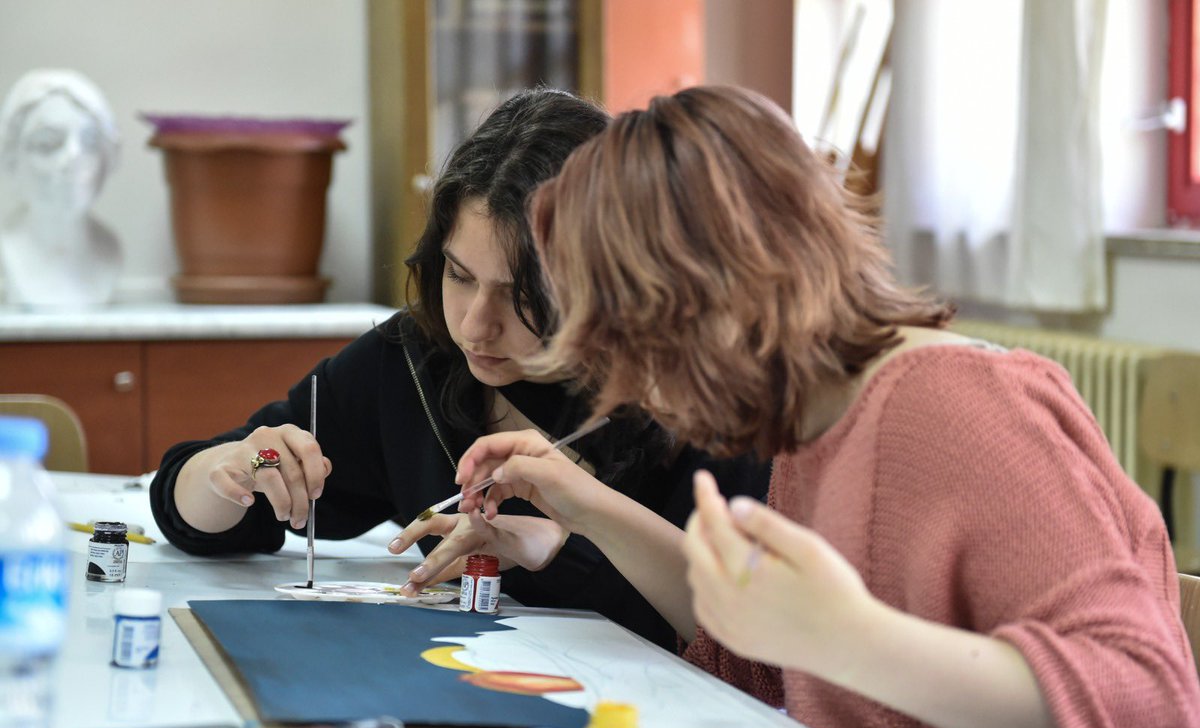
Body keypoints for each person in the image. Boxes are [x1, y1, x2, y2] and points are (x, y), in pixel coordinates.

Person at [449, 85, 1200, 728]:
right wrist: (585, 511)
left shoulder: (960, 408)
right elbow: (766, 666)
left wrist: (851, 635)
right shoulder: (815, 424)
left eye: (626, 344)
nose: (623, 385)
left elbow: (1155, 717)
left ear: (711, 299)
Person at [148, 87, 770, 652]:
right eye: (459, 275)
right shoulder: (415, 360)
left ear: (609, 281)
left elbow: (748, 645)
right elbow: (199, 514)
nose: (475, 325)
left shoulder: (701, 399)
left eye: (525, 295)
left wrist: (567, 545)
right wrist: (227, 472)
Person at [0, 69, 122, 308]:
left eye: (89, 142)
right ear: (11, 160)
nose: (73, 157)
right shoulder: (8, 250)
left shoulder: (110, 251)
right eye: (47, 144)